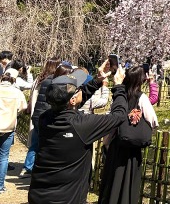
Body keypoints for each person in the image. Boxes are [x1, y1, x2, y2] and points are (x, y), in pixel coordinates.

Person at [29, 63, 127, 204]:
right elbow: (119, 116)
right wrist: (118, 87)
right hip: (67, 199)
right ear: (73, 99)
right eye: (79, 89)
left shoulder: (45, 118)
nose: (81, 90)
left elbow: (70, 105)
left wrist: (97, 81)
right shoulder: (81, 125)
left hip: (39, 194)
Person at [98, 65, 159, 204]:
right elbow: (153, 120)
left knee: (113, 178)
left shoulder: (120, 96)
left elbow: (112, 116)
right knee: (128, 180)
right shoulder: (141, 97)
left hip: (117, 143)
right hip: (132, 147)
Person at [21, 58, 72, 178]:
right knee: (44, 144)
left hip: (37, 115)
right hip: (46, 116)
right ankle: (39, 169)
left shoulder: (44, 80)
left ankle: (27, 168)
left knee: (35, 143)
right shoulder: (55, 84)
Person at [0, 68, 27, 193]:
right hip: (9, 127)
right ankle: (0, 186)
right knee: (3, 157)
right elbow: (23, 107)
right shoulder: (17, 92)